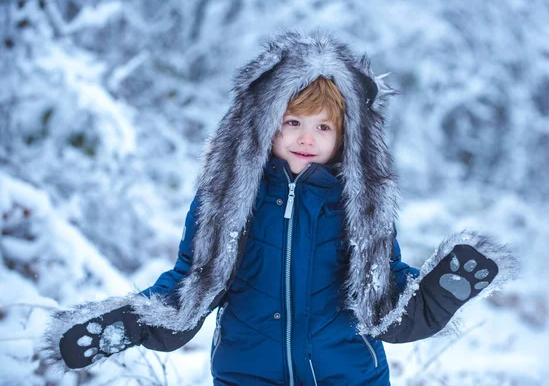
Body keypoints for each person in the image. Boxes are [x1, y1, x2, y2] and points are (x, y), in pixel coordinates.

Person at [40, 30, 517, 385]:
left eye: (324, 127)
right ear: (265, 125)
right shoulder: (228, 196)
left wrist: (439, 292)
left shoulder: (362, 204)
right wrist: (131, 321)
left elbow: (383, 296)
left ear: (346, 136)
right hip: (248, 372)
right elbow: (190, 284)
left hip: (347, 374)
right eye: (293, 121)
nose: (307, 137)